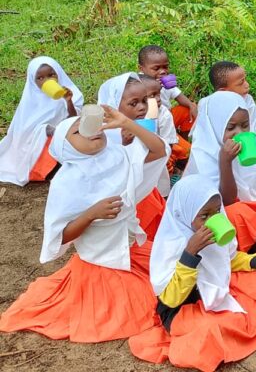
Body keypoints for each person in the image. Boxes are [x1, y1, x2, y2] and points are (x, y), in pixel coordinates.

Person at [0, 108, 167, 342]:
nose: (91, 132)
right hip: (101, 262)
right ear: (65, 145)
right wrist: (90, 215)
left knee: (172, 279)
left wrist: (127, 123)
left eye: (94, 125)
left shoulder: (119, 156)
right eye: (79, 131)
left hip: (131, 250)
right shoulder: (66, 182)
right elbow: (61, 236)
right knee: (135, 306)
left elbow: (158, 150)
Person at [128, 177, 256, 372]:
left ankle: (233, 325)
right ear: (184, 213)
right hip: (182, 306)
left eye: (217, 211)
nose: (213, 219)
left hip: (211, 290)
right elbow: (171, 299)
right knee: (209, 331)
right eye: (204, 215)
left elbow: (228, 259)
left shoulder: (213, 234)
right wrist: (190, 254)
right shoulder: (171, 244)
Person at [184, 90, 256, 252]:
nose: (239, 133)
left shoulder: (251, 142)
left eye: (245, 126)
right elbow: (226, 200)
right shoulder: (202, 156)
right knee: (238, 213)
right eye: (230, 127)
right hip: (214, 215)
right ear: (215, 126)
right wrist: (225, 162)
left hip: (244, 203)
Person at [98, 72, 168, 240]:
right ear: (114, 105)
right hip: (122, 199)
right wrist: (125, 142)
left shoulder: (143, 125)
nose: (142, 107)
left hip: (147, 191)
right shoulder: (102, 135)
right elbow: (109, 169)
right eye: (133, 103)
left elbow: (159, 151)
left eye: (144, 100)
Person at [0, 56, 83, 186]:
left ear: (58, 73)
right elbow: (24, 131)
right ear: (33, 81)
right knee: (47, 139)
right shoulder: (30, 101)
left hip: (64, 137)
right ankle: (47, 168)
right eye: (40, 78)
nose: (47, 81)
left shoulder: (68, 94)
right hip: (42, 143)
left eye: (51, 75)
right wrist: (45, 130)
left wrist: (68, 101)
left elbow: (73, 120)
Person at [138, 45, 198, 142]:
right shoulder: (138, 84)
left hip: (167, 117)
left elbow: (179, 96)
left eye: (165, 67)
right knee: (185, 150)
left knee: (187, 109)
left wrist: (191, 105)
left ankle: (183, 138)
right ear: (141, 68)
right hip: (152, 123)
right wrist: (155, 88)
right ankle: (176, 143)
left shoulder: (165, 81)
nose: (162, 71)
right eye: (156, 68)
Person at [140, 74, 177, 194]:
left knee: (158, 191)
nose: (158, 99)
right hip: (137, 163)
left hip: (158, 159)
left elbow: (168, 145)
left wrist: (164, 160)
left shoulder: (163, 114)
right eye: (152, 96)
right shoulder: (131, 113)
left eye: (158, 94)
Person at [209, 60, 256, 126]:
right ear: (223, 92)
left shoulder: (247, 99)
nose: (247, 85)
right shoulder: (212, 107)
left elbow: (255, 124)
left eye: (245, 80)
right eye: (241, 83)